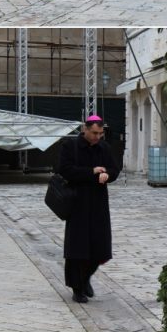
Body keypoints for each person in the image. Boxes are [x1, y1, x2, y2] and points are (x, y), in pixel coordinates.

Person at [58, 116, 120, 303]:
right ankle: (77, 288)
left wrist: (107, 175)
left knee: (99, 247)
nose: (97, 137)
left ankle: (85, 279)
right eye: (94, 133)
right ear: (85, 129)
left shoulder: (104, 148)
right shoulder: (70, 146)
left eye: (101, 134)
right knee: (77, 248)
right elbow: (65, 170)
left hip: (98, 203)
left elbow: (115, 169)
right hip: (77, 202)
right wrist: (91, 172)